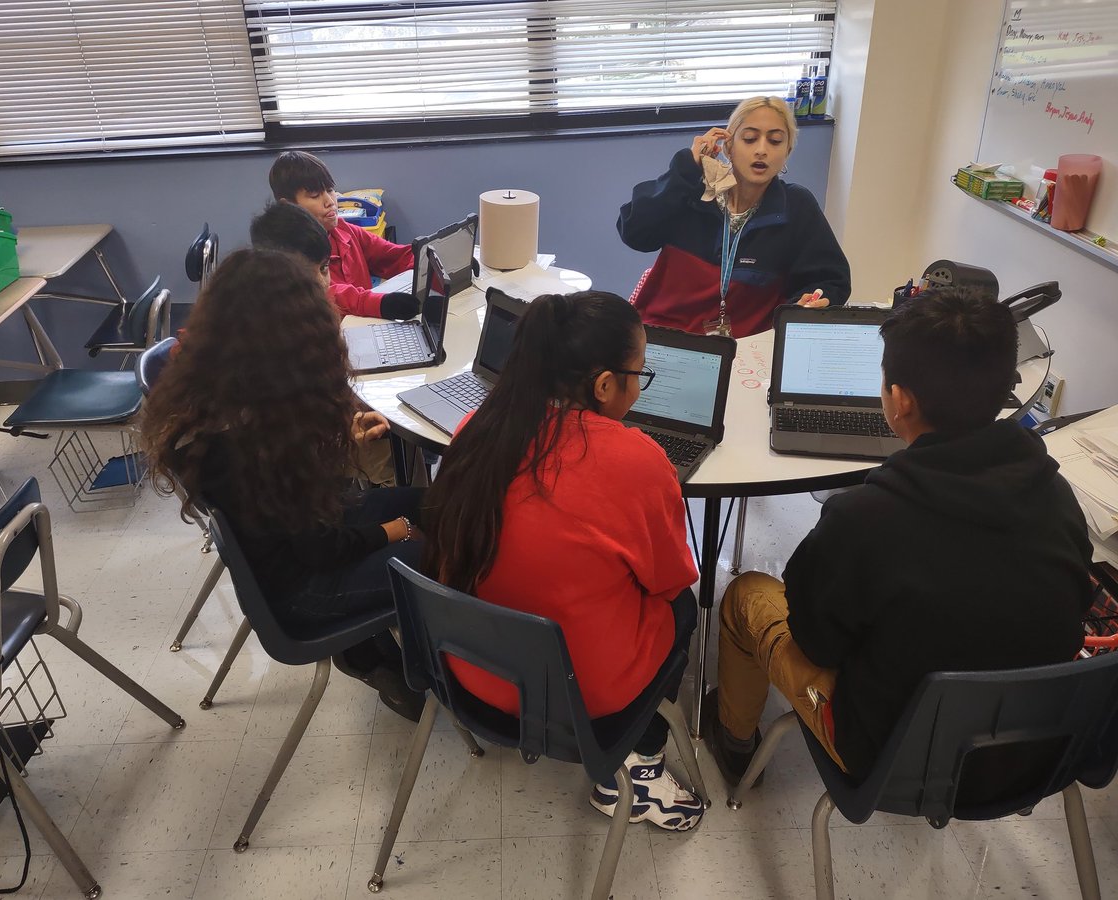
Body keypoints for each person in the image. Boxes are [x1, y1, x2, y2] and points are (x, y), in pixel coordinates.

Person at [702, 287, 1093, 789]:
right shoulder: (1058, 496)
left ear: (900, 400)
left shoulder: (862, 517)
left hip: (894, 753)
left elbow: (816, 642)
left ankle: (735, 743)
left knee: (744, 595)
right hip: (1031, 751)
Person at [423, 290, 705, 831]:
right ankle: (638, 770)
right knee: (687, 608)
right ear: (604, 385)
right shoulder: (637, 461)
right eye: (639, 375)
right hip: (580, 698)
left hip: (468, 671)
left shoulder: (476, 430)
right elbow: (669, 582)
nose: (639, 387)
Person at [141, 247, 426, 721]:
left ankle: (381, 650)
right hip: (301, 590)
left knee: (430, 505)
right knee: (430, 553)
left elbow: (304, 504)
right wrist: (398, 531)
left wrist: (343, 443)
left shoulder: (229, 397)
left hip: (294, 546)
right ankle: (424, 671)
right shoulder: (245, 443)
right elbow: (321, 548)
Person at [617, 95, 851, 339]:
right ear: (728, 147)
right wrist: (684, 170)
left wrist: (809, 303)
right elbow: (634, 231)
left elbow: (831, 280)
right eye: (749, 139)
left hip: (745, 350)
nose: (762, 150)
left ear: (787, 152)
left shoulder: (796, 206)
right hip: (667, 338)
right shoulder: (691, 189)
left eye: (775, 141)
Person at [248, 201, 396, 487]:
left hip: (321, 435)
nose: (321, 282)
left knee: (390, 427)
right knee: (394, 453)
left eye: (325, 268)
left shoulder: (300, 312)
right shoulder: (267, 341)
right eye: (307, 273)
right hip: (293, 475)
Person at [268, 150, 418, 321]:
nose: (330, 202)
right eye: (315, 195)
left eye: (330, 190)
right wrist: (379, 304)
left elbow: (393, 256)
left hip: (367, 328)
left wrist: (432, 258)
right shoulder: (287, 255)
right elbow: (328, 293)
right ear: (288, 206)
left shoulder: (342, 229)